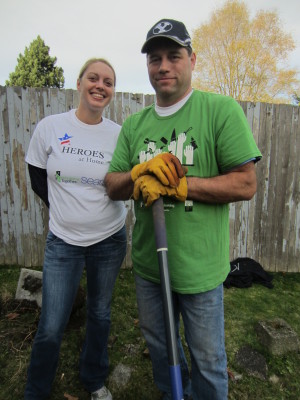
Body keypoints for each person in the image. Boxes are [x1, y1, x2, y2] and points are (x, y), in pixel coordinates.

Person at [104, 19, 262, 400]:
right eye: (155, 58)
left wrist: (179, 186)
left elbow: (245, 183)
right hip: (148, 268)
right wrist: (138, 172)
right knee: (161, 349)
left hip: (200, 271)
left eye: (174, 56)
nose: (163, 66)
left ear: (192, 59)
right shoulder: (134, 124)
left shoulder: (219, 111)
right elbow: (112, 185)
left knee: (208, 360)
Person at [24, 58, 127, 400]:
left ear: (112, 91)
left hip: (109, 240)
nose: (101, 86)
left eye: (108, 82)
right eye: (94, 78)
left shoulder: (118, 135)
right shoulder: (51, 127)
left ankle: (93, 380)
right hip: (63, 242)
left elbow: (124, 181)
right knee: (51, 325)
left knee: (100, 313)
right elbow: (37, 173)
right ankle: (36, 390)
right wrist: (62, 208)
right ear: (80, 82)